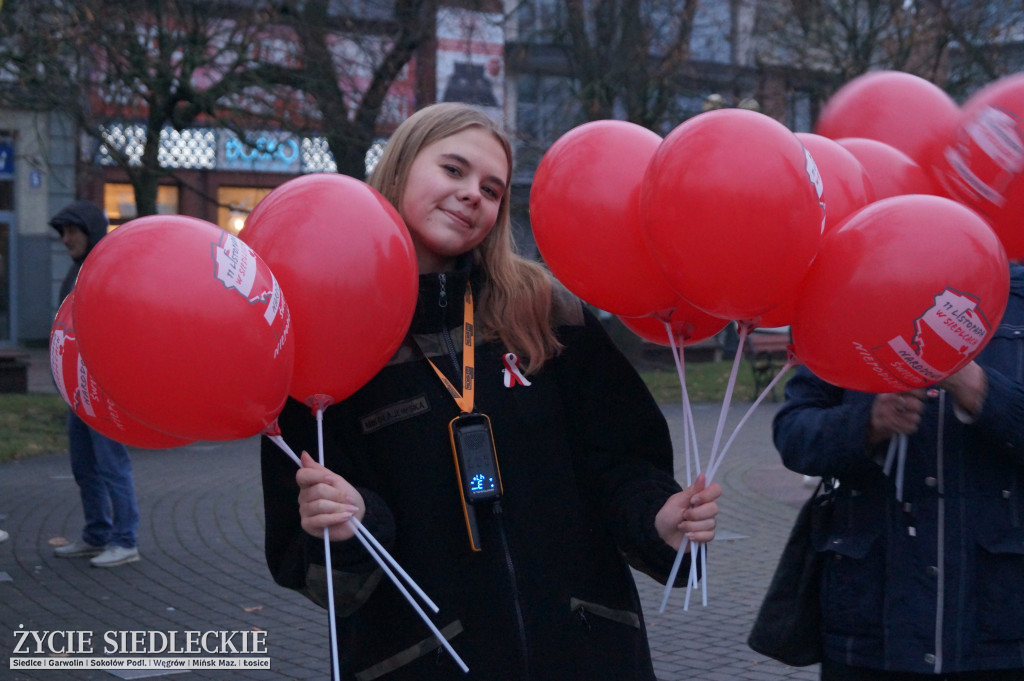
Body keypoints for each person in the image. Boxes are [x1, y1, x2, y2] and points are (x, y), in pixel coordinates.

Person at [260, 102, 721, 681]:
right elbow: (310, 564)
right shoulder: (324, 326)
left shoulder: (545, 310)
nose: (473, 194)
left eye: (493, 188)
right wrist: (355, 526)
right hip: (421, 662)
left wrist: (658, 518)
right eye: (453, 170)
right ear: (399, 168)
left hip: (584, 651)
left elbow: (621, 460)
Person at [772, 262, 1024, 680]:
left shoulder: (1016, 299)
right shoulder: (853, 292)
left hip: (998, 632)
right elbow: (794, 435)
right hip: (871, 628)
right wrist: (866, 423)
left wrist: (976, 387)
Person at [49, 200, 140, 568]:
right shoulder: (76, 271)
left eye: (72, 230)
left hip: (103, 391)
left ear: (90, 231)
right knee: (84, 467)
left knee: (111, 465)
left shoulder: (105, 270)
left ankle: (125, 539)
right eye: (63, 232)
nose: (66, 239)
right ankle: (97, 534)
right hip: (79, 393)